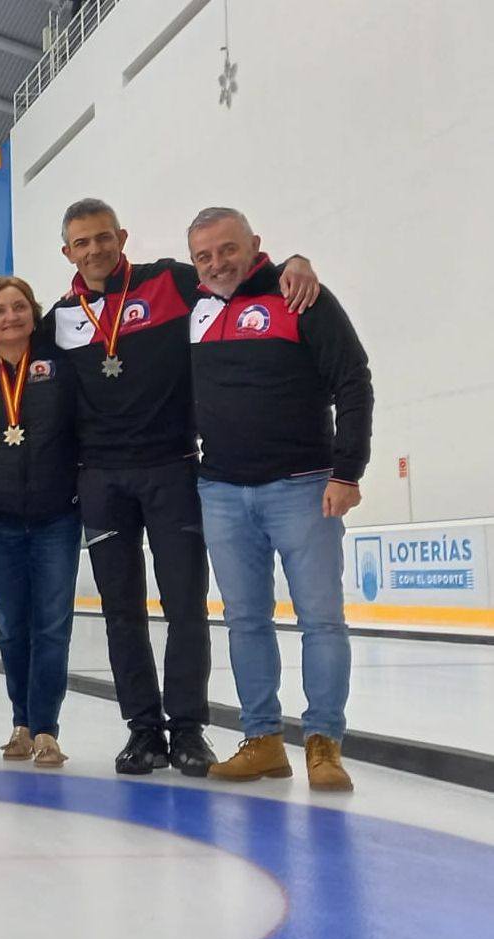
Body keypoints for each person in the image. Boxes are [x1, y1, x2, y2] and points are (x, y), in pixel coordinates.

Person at [43, 198, 319, 776]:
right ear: (67, 252)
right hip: (101, 481)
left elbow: (235, 281)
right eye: (81, 242)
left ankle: (188, 730)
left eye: (102, 237)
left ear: (121, 237)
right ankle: (143, 731)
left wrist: (293, 260)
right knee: (121, 612)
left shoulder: (169, 281)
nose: (94, 250)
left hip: (173, 470)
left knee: (186, 607)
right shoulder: (59, 321)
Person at [184, 208, 372, 792]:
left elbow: (353, 379)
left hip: (304, 487)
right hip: (219, 490)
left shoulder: (300, 295)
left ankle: (323, 743)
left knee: (321, 620)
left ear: (256, 245)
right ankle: (262, 739)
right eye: (204, 256)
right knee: (245, 620)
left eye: (228, 249)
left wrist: (348, 470)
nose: (217, 263)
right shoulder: (193, 309)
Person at [0, 276, 81, 767]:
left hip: (58, 512)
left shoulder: (62, 365)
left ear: (34, 313)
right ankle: (21, 723)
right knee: (13, 628)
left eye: (18, 307)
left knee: (52, 625)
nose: (10, 316)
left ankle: (47, 730)